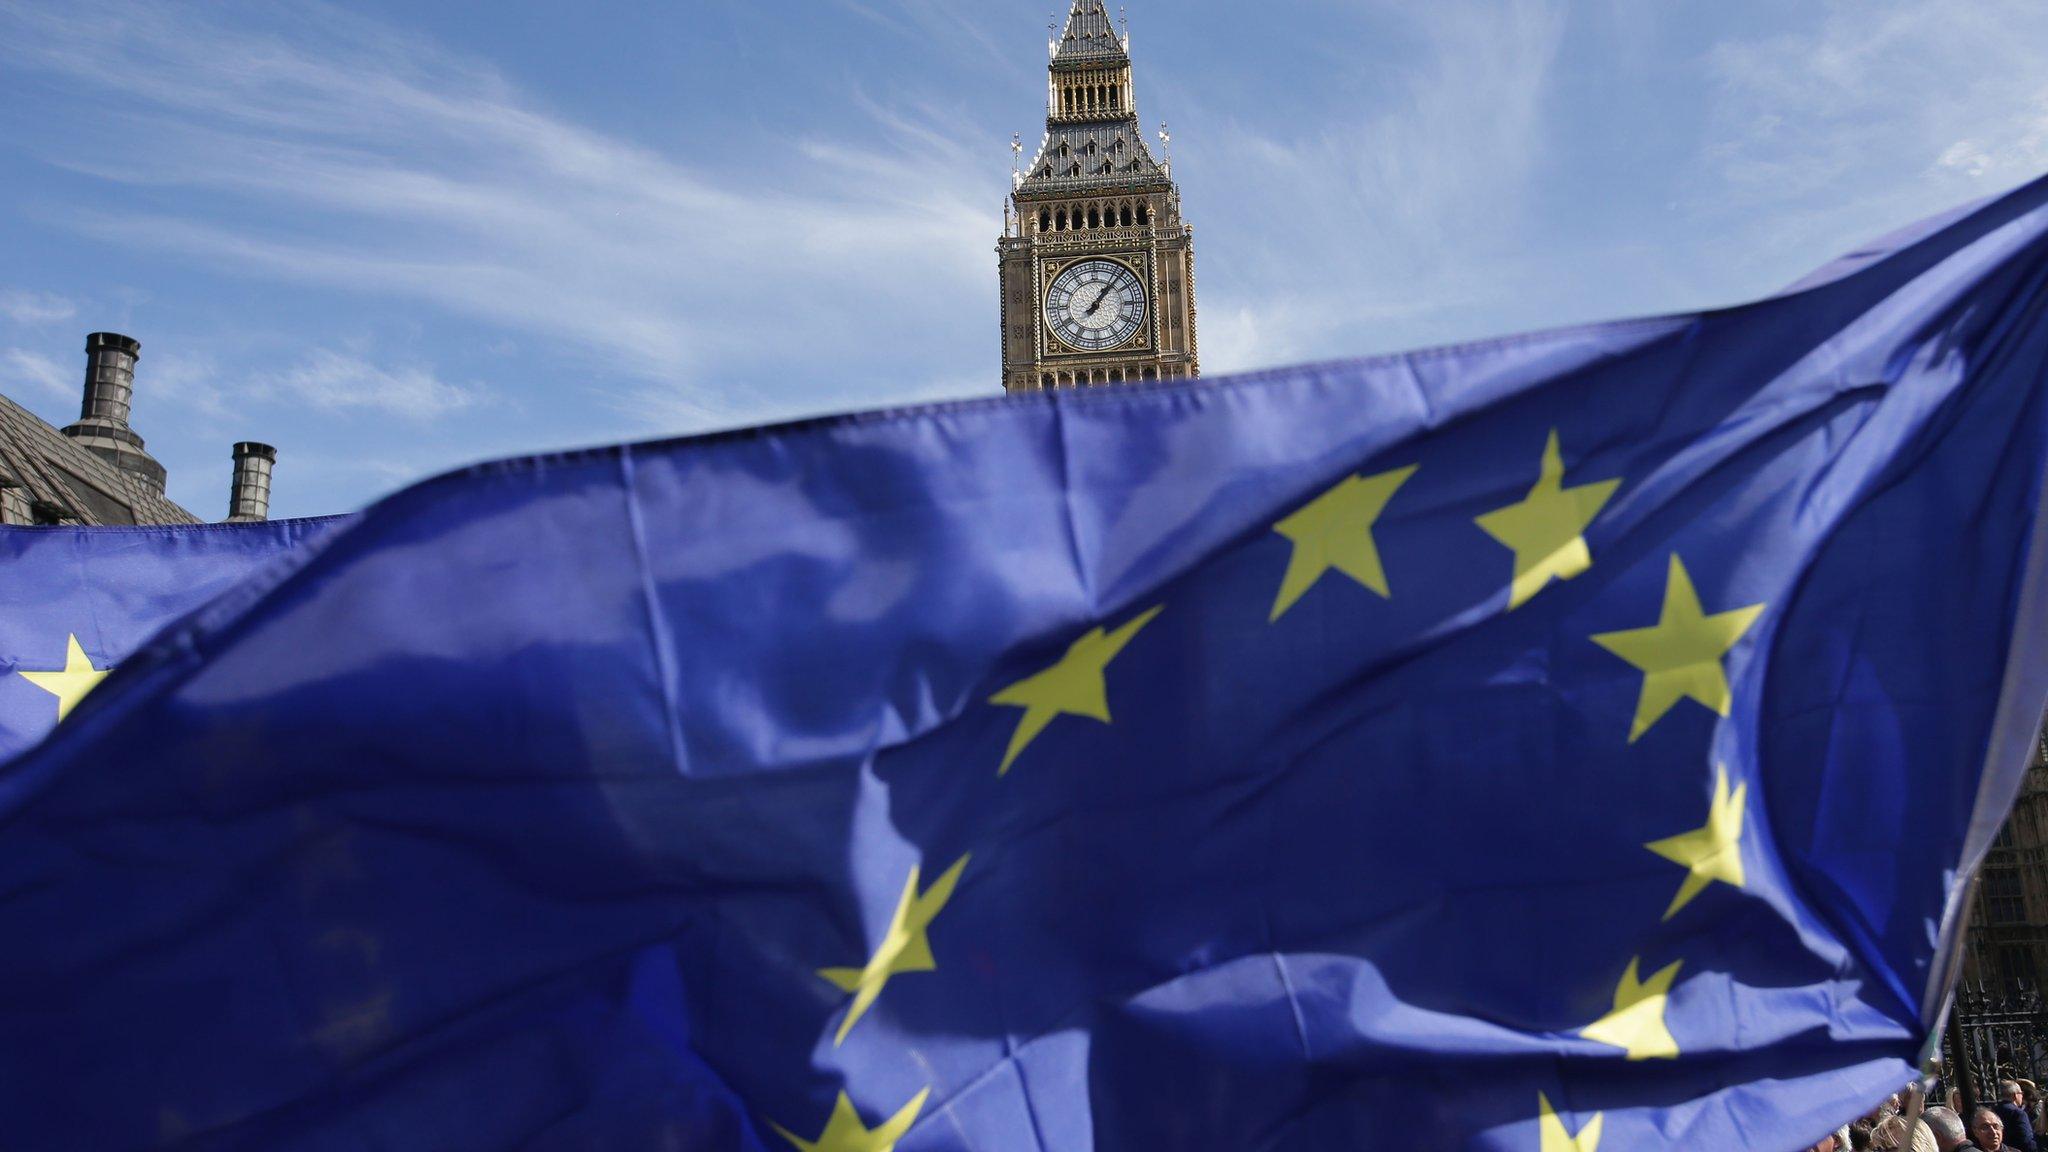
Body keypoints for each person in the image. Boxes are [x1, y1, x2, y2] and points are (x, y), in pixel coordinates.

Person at [1998, 1080, 2040, 1152]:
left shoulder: (1994, 1111)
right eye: (2021, 1093)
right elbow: (2027, 1140)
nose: (2022, 1095)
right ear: (2015, 1095)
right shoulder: (2018, 1113)